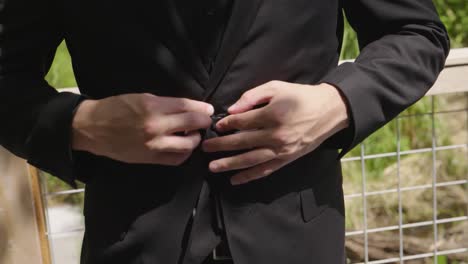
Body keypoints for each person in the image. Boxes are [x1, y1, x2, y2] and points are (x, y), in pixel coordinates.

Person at [0, 0, 449, 263]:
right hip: (132, 243)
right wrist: (84, 125)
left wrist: (337, 102)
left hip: (296, 243)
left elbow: (416, 33)